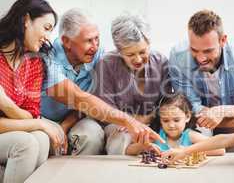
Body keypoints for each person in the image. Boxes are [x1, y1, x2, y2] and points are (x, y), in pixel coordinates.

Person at [42, 10, 163, 155]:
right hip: (44, 118)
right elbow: (79, 98)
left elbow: (84, 105)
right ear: (66, 41)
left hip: (75, 117)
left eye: (97, 38)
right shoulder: (48, 58)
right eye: (88, 40)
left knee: (90, 134)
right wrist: (128, 121)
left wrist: (66, 125)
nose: (95, 46)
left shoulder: (96, 54)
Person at [169, 9, 234, 150]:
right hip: (201, 125)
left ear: (223, 40)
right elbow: (190, 108)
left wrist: (223, 111)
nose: (200, 58)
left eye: (208, 51)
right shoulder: (178, 57)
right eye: (194, 50)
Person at [0, 0, 62, 183]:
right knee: (26, 144)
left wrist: (6, 104)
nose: (48, 38)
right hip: (10, 135)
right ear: (26, 20)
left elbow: (31, 115)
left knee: (41, 139)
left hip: (9, 131)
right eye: (46, 28)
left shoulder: (34, 63)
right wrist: (37, 123)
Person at [92, 14, 171, 155]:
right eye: (130, 55)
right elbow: (106, 110)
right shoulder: (106, 64)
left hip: (153, 122)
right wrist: (129, 122)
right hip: (118, 125)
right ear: (119, 50)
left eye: (143, 51)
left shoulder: (160, 61)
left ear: (149, 44)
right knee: (121, 138)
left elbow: (166, 102)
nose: (138, 59)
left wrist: (145, 119)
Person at [125, 93, 225, 156]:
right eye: (165, 120)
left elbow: (220, 149)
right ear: (160, 119)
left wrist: (187, 151)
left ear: (187, 117)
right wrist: (144, 146)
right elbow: (128, 151)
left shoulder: (189, 135)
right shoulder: (157, 136)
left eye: (176, 120)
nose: (171, 125)